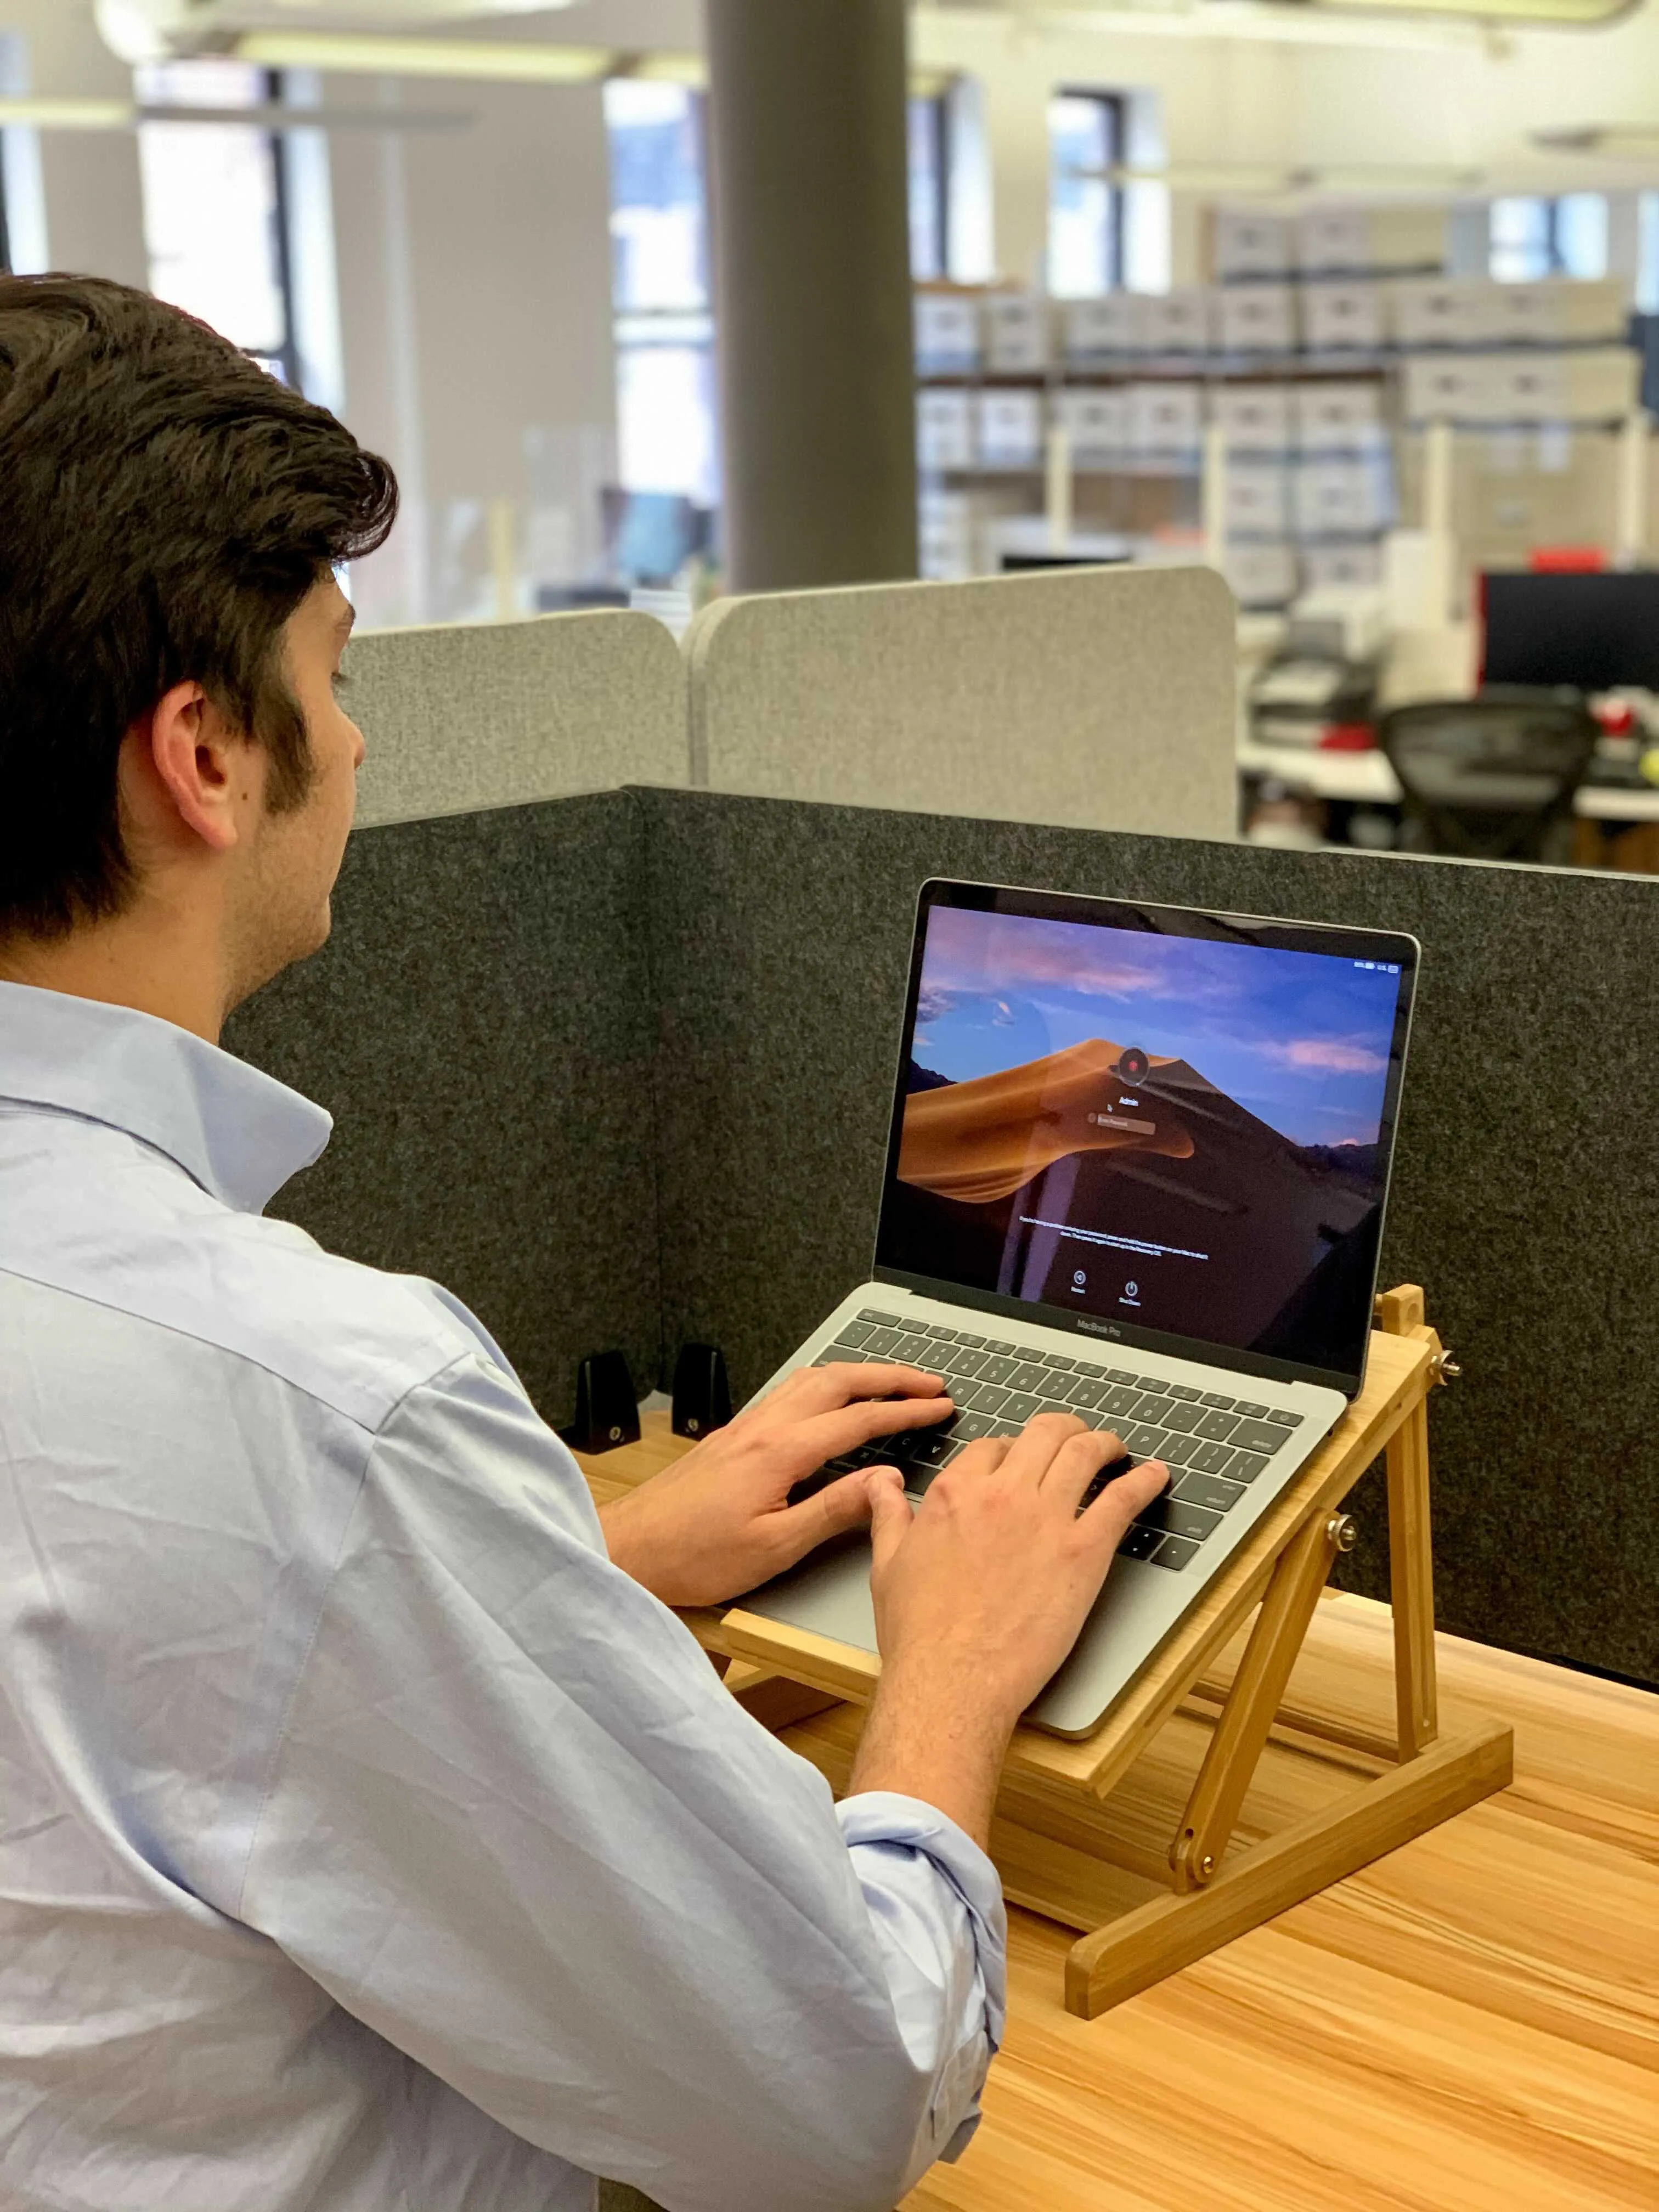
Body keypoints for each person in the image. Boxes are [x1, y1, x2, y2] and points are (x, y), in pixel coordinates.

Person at [0, 275, 1167, 2212]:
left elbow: (123, 1678)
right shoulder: (319, 1410)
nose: (358, 751)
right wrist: (945, 1678)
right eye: (339, 676)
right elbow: (836, 2105)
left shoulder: (272, 1436)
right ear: (204, 757)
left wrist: (567, 1563)